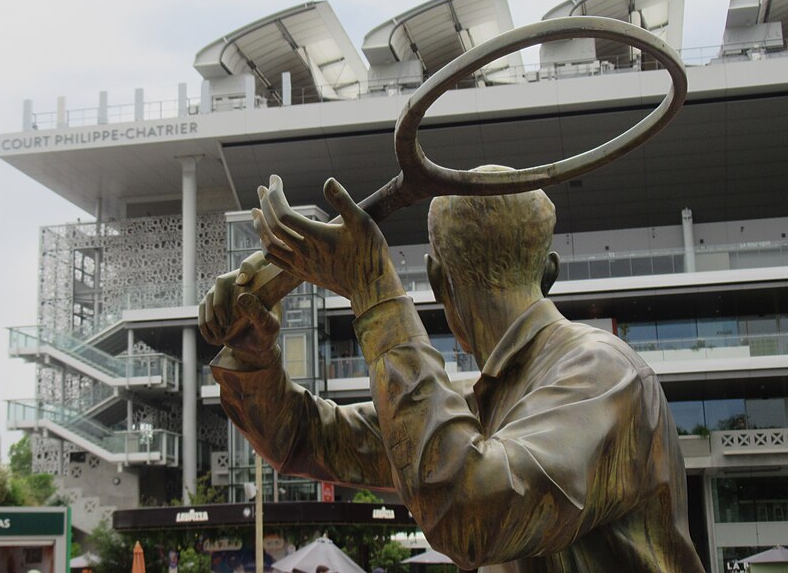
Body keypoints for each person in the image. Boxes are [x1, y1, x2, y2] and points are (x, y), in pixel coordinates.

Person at [200, 170, 704, 572]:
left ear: (438, 281)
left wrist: (377, 294)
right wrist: (252, 355)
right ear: (549, 272)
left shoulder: (600, 371)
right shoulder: (487, 404)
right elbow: (306, 439)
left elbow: (470, 516)